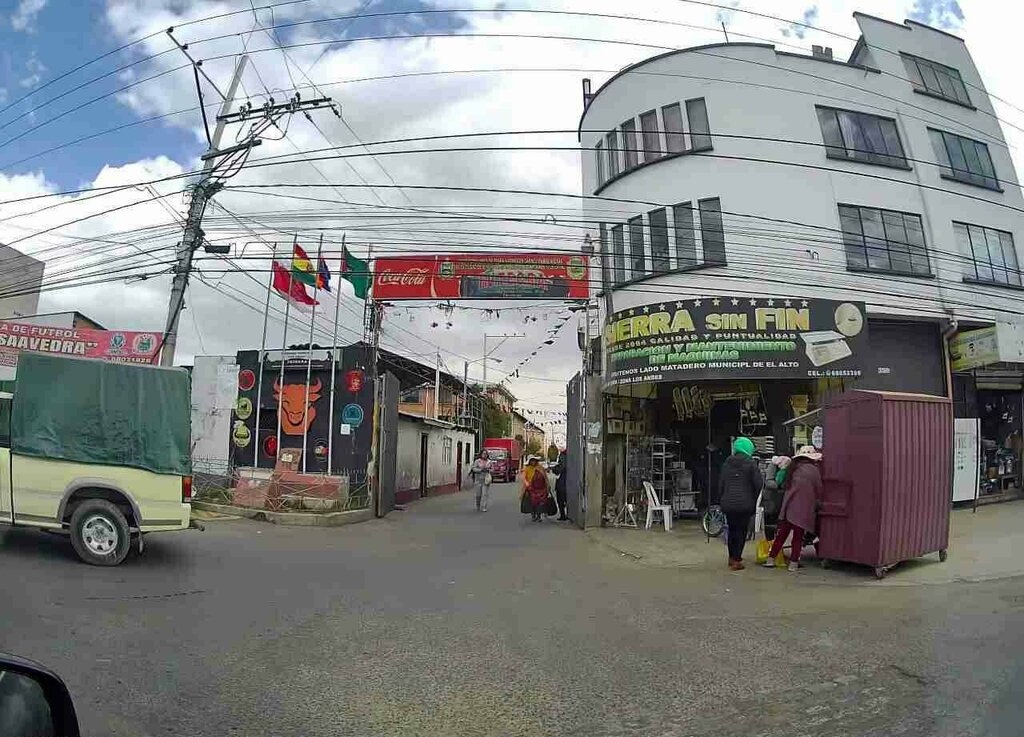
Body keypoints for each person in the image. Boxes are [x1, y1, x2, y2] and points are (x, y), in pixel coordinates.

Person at [765, 445, 823, 572]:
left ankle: (770, 559)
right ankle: (793, 563)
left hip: (789, 508)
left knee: (781, 536)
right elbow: (819, 490)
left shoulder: (792, 468)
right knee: (798, 537)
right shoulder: (814, 471)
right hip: (803, 510)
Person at [718, 436, 764, 571]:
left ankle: (732, 557)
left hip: (728, 503)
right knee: (741, 531)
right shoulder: (750, 463)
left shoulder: (727, 462)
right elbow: (758, 484)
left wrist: (721, 499)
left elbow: (721, 483)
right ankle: (737, 560)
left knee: (732, 530)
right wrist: (753, 498)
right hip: (745, 504)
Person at [522, 456, 550, 522]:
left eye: (534, 460)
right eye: (532, 461)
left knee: (540, 502)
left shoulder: (540, 468)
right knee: (533, 502)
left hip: (541, 488)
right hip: (531, 488)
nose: (533, 462)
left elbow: (545, 477)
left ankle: (538, 516)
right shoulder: (527, 468)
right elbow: (524, 477)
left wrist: (548, 485)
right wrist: (527, 484)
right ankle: (533, 515)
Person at [551, 451, 568, 521]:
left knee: (560, 500)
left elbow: (561, 467)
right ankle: (566, 515)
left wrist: (554, 469)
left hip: (562, 483)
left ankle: (563, 515)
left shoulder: (563, 455)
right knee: (567, 500)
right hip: (569, 482)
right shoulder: (572, 454)